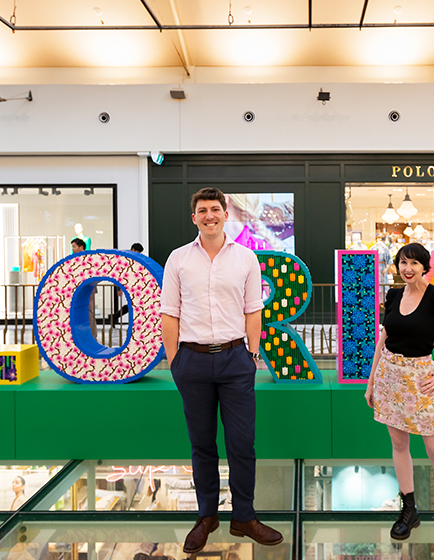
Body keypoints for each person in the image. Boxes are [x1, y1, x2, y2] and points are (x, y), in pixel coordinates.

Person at [160, 187, 282, 553]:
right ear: (193, 217)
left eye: (215, 209)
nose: (209, 215)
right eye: (202, 210)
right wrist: (174, 361)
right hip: (191, 361)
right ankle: (207, 516)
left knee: (242, 443)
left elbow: (253, 309)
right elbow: (170, 312)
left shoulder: (246, 258)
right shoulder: (178, 259)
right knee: (202, 445)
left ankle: (244, 516)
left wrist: (252, 354)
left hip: (235, 361)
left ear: (226, 214)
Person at [364, 242, 434, 560]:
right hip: (389, 377)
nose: (407, 268)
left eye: (413, 262)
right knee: (399, 445)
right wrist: (371, 383)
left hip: (421, 380)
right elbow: (383, 341)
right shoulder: (394, 296)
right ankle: (408, 511)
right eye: (402, 262)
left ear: (425, 266)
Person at [71, 238, 98, 335]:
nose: (73, 249)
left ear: (81, 247)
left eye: (74, 247)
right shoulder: (74, 260)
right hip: (79, 291)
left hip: (88, 290)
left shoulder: (89, 258)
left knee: (89, 313)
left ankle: (92, 336)